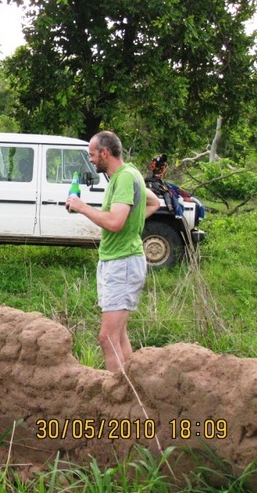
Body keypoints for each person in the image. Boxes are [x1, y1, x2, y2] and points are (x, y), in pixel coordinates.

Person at [65, 131, 161, 371]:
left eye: (93, 155)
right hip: (117, 261)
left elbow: (115, 223)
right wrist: (132, 221)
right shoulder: (128, 175)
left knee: (107, 338)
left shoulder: (125, 178)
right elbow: (153, 203)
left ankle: (115, 399)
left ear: (105, 152)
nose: (92, 160)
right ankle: (129, 393)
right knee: (118, 336)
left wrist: (82, 207)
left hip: (123, 262)